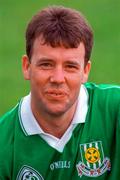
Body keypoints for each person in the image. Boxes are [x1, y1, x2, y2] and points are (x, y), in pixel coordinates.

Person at [0, 5, 120, 180]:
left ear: (85, 71)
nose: (57, 78)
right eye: (46, 64)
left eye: (70, 67)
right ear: (27, 67)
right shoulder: (4, 143)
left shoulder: (114, 110)